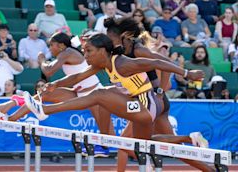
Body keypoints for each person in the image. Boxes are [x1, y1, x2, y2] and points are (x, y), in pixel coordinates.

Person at [23, 33, 204, 154]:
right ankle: (190, 138)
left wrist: (188, 74)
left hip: (147, 103)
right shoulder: (102, 64)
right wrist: (55, 84)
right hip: (137, 103)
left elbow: (158, 62)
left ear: (102, 51)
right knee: (143, 144)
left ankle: (46, 111)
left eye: (89, 51)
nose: (85, 56)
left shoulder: (123, 64)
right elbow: (77, 77)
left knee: (100, 94)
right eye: (84, 51)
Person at [104, 18, 212, 171]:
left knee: (124, 142)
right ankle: (210, 169)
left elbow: (165, 63)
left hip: (152, 99)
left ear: (125, 35)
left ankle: (145, 161)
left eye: (111, 39)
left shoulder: (139, 50)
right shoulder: (118, 52)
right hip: (149, 101)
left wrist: (161, 90)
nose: (108, 43)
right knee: (174, 148)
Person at [0, 33, 112, 156]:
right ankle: (11, 116)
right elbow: (70, 76)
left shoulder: (67, 52)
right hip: (78, 92)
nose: (50, 48)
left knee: (112, 137)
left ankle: (125, 155)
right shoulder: (67, 53)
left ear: (61, 45)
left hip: (94, 93)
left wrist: (41, 60)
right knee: (44, 94)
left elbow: (49, 71)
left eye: (52, 45)